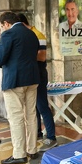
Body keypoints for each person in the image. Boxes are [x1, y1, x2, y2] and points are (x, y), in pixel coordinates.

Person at [0, 12, 40, 164]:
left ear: (6, 24)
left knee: (16, 118)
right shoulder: (32, 34)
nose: (2, 29)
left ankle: (19, 154)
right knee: (31, 116)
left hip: (14, 81)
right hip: (32, 79)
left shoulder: (8, 34)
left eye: (2, 26)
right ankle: (32, 150)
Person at [17, 13, 58, 151]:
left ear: (21, 24)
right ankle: (38, 132)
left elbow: (41, 57)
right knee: (32, 106)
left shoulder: (37, 34)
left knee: (41, 105)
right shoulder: (27, 34)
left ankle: (51, 137)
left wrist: (23, 55)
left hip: (39, 73)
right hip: (31, 73)